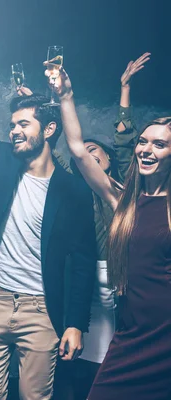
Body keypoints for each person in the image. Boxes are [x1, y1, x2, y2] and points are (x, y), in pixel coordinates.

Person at [0, 12, 97, 400]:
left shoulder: (72, 190)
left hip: (41, 310)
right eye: (12, 125)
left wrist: (76, 323)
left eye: (23, 125)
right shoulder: (2, 162)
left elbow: (83, 259)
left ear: (48, 130)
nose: (14, 130)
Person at [49, 62, 171, 400]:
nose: (146, 149)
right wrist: (66, 97)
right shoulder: (122, 200)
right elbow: (77, 149)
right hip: (131, 334)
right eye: (143, 142)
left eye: (159, 145)